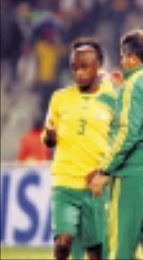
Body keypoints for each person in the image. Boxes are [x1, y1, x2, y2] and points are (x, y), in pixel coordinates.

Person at [89, 27, 143, 260]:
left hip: (134, 178)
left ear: (132, 58)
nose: (121, 61)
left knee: (120, 247)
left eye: (123, 56)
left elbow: (127, 132)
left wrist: (105, 169)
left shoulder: (135, 84)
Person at [42, 38, 115, 260]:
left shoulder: (112, 99)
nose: (78, 73)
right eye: (74, 67)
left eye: (85, 67)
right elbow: (48, 139)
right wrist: (50, 137)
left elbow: (121, 140)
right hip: (64, 182)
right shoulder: (59, 98)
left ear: (98, 67)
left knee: (95, 251)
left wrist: (106, 173)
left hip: (95, 185)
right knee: (63, 242)